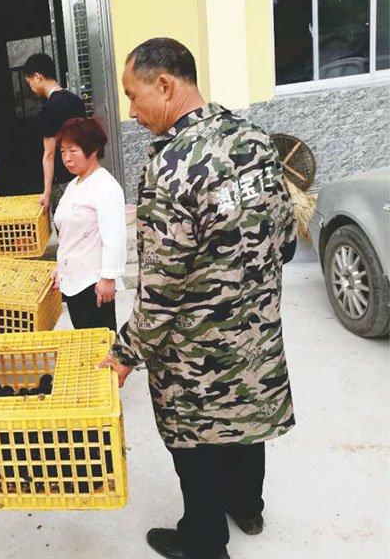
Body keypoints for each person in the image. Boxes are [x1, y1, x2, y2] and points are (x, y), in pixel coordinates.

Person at [97, 38, 297, 559]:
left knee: (197, 436)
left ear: (164, 85)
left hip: (195, 348)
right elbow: (286, 238)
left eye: (132, 95)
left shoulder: (172, 165)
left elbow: (161, 289)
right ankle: (247, 507)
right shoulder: (255, 139)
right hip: (255, 330)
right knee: (245, 415)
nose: (132, 112)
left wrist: (125, 353)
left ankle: (205, 542)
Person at [50, 117, 126, 331]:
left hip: (93, 283)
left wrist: (108, 277)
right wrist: (61, 267)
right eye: (63, 151)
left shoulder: (106, 187)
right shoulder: (74, 184)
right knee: (83, 340)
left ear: (93, 150)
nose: (67, 158)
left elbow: (115, 237)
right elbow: (69, 233)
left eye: (73, 151)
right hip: (73, 279)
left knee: (100, 341)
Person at [23, 53, 86, 213]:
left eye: (29, 83)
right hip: (84, 175)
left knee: (65, 224)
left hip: (64, 178)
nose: (30, 87)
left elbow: (49, 155)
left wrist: (47, 192)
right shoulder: (76, 100)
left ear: (38, 77)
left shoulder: (50, 108)